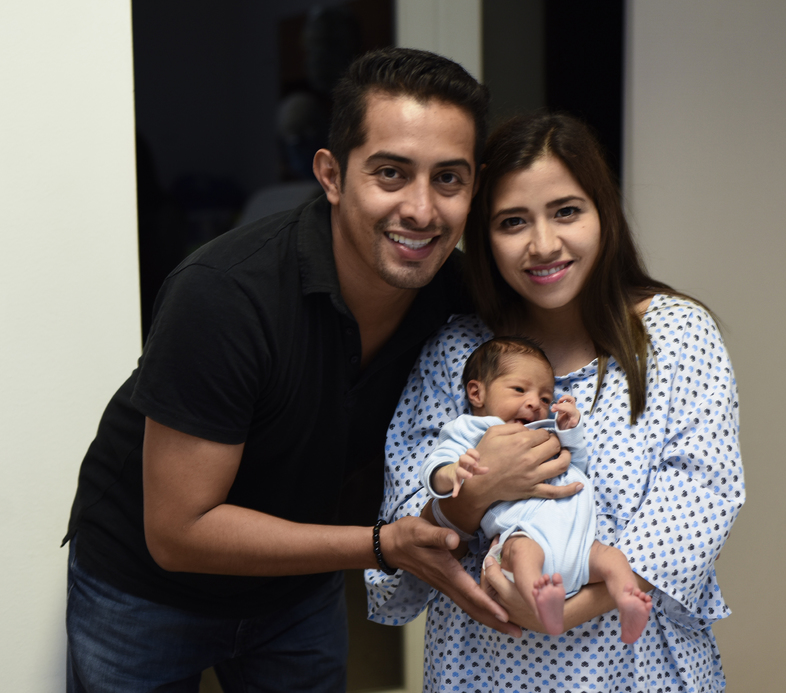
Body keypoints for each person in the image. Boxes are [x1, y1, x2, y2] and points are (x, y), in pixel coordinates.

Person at [63, 48, 570, 693]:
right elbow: (178, 532)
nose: (421, 210)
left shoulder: (460, 296)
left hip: (297, 587)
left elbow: (570, 319)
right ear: (331, 175)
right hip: (146, 593)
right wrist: (382, 544)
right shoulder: (224, 294)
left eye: (448, 178)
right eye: (391, 173)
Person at [367, 112, 745, 691]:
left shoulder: (676, 335)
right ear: (484, 237)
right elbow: (405, 518)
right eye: (512, 221)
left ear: (603, 213)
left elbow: (701, 496)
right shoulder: (459, 354)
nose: (543, 245)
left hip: (635, 665)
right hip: (486, 666)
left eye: (566, 211)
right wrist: (477, 492)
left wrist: (574, 608)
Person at [419, 336, 653, 640]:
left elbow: (576, 465)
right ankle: (541, 602)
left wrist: (569, 430)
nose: (534, 403)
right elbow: (434, 467)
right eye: (519, 389)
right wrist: (452, 472)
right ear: (477, 393)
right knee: (520, 553)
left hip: (580, 544)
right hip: (524, 532)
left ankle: (627, 600)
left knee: (613, 559)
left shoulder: (546, 429)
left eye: (545, 398)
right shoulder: (471, 430)